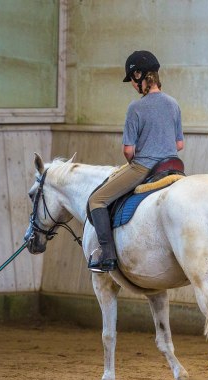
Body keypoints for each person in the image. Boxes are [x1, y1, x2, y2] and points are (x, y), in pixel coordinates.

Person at [87, 50, 184, 272]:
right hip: (172, 165)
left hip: (144, 167)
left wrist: (142, 150)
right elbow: (179, 145)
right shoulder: (173, 103)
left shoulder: (136, 108)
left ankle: (107, 255)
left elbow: (128, 151)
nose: (132, 84)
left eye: (131, 79)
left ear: (139, 76)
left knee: (96, 200)